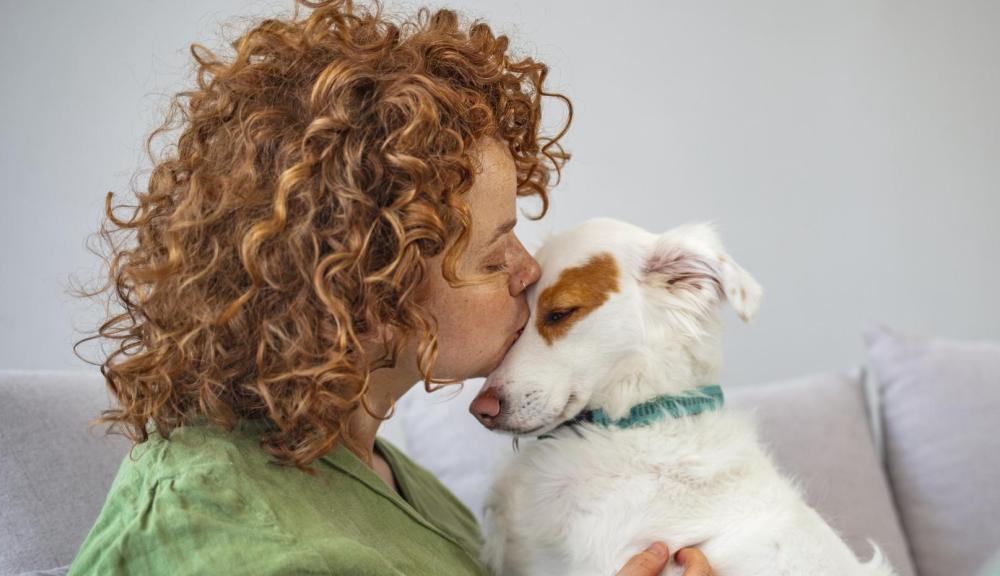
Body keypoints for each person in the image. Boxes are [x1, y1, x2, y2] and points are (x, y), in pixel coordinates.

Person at [69, 1, 715, 574]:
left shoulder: (395, 486)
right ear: (364, 289)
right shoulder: (216, 530)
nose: (530, 272)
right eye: (494, 257)